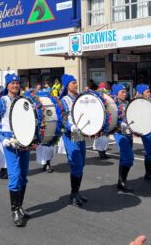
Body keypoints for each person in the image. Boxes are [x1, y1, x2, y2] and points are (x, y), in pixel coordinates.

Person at [0, 74, 30, 227]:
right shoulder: (2, 102)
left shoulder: (23, 100)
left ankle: (20, 207)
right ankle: (14, 210)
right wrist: (2, 139)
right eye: (12, 83)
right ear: (7, 85)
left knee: (24, 175)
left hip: (25, 140)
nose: (15, 85)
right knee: (14, 175)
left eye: (17, 83)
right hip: (10, 142)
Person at [60, 74, 88, 207]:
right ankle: (74, 194)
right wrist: (70, 126)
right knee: (76, 163)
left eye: (76, 82)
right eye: (73, 83)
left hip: (80, 134)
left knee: (81, 164)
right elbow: (63, 118)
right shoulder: (64, 101)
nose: (76, 85)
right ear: (67, 86)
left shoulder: (80, 98)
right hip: (70, 134)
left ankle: (76, 192)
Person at [111, 84, 134, 192]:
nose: (125, 94)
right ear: (116, 93)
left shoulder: (127, 103)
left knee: (124, 157)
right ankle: (123, 182)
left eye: (125, 92)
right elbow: (110, 121)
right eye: (122, 92)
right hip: (120, 133)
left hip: (129, 133)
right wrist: (119, 125)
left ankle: (121, 181)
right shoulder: (113, 105)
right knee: (128, 158)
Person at [136, 84, 151, 184]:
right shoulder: (139, 103)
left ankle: (148, 174)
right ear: (142, 94)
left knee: (150, 151)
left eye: (149, 91)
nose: (149, 93)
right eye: (147, 92)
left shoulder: (150, 101)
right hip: (145, 130)